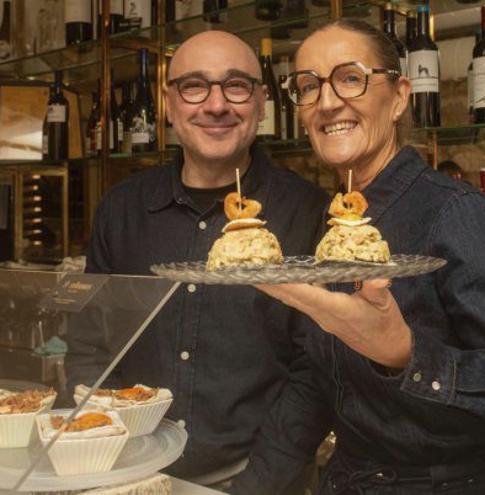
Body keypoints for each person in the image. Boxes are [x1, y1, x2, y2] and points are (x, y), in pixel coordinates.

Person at [235, 20, 485, 494]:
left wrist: (407, 354)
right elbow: (316, 386)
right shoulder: (329, 225)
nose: (326, 102)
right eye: (308, 86)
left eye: (350, 78)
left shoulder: (454, 213)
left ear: (400, 95)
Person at [75, 31, 329, 488]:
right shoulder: (121, 209)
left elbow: (315, 372)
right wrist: (99, 451)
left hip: (257, 479)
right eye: (194, 86)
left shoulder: (309, 212)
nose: (215, 105)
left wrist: (258, 484)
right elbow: (90, 346)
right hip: (128, 472)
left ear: (262, 102)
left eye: (236, 85)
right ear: (170, 104)